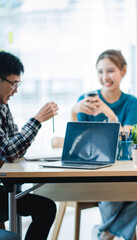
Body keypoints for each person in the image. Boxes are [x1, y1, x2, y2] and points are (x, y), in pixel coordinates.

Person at [71, 49, 137, 240]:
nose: (105, 77)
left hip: (126, 169)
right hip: (95, 169)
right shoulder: (85, 101)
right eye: (100, 71)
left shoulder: (132, 103)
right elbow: (78, 141)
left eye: (110, 71)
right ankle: (110, 232)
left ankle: (104, 232)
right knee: (113, 195)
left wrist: (110, 114)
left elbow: (126, 136)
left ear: (123, 70)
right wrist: (74, 110)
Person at [0, 51, 58, 240]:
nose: (16, 90)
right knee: (46, 209)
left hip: (4, 186)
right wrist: (37, 119)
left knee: (46, 208)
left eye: (18, 84)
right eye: (13, 83)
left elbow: (14, 144)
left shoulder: (3, 106)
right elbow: (9, 150)